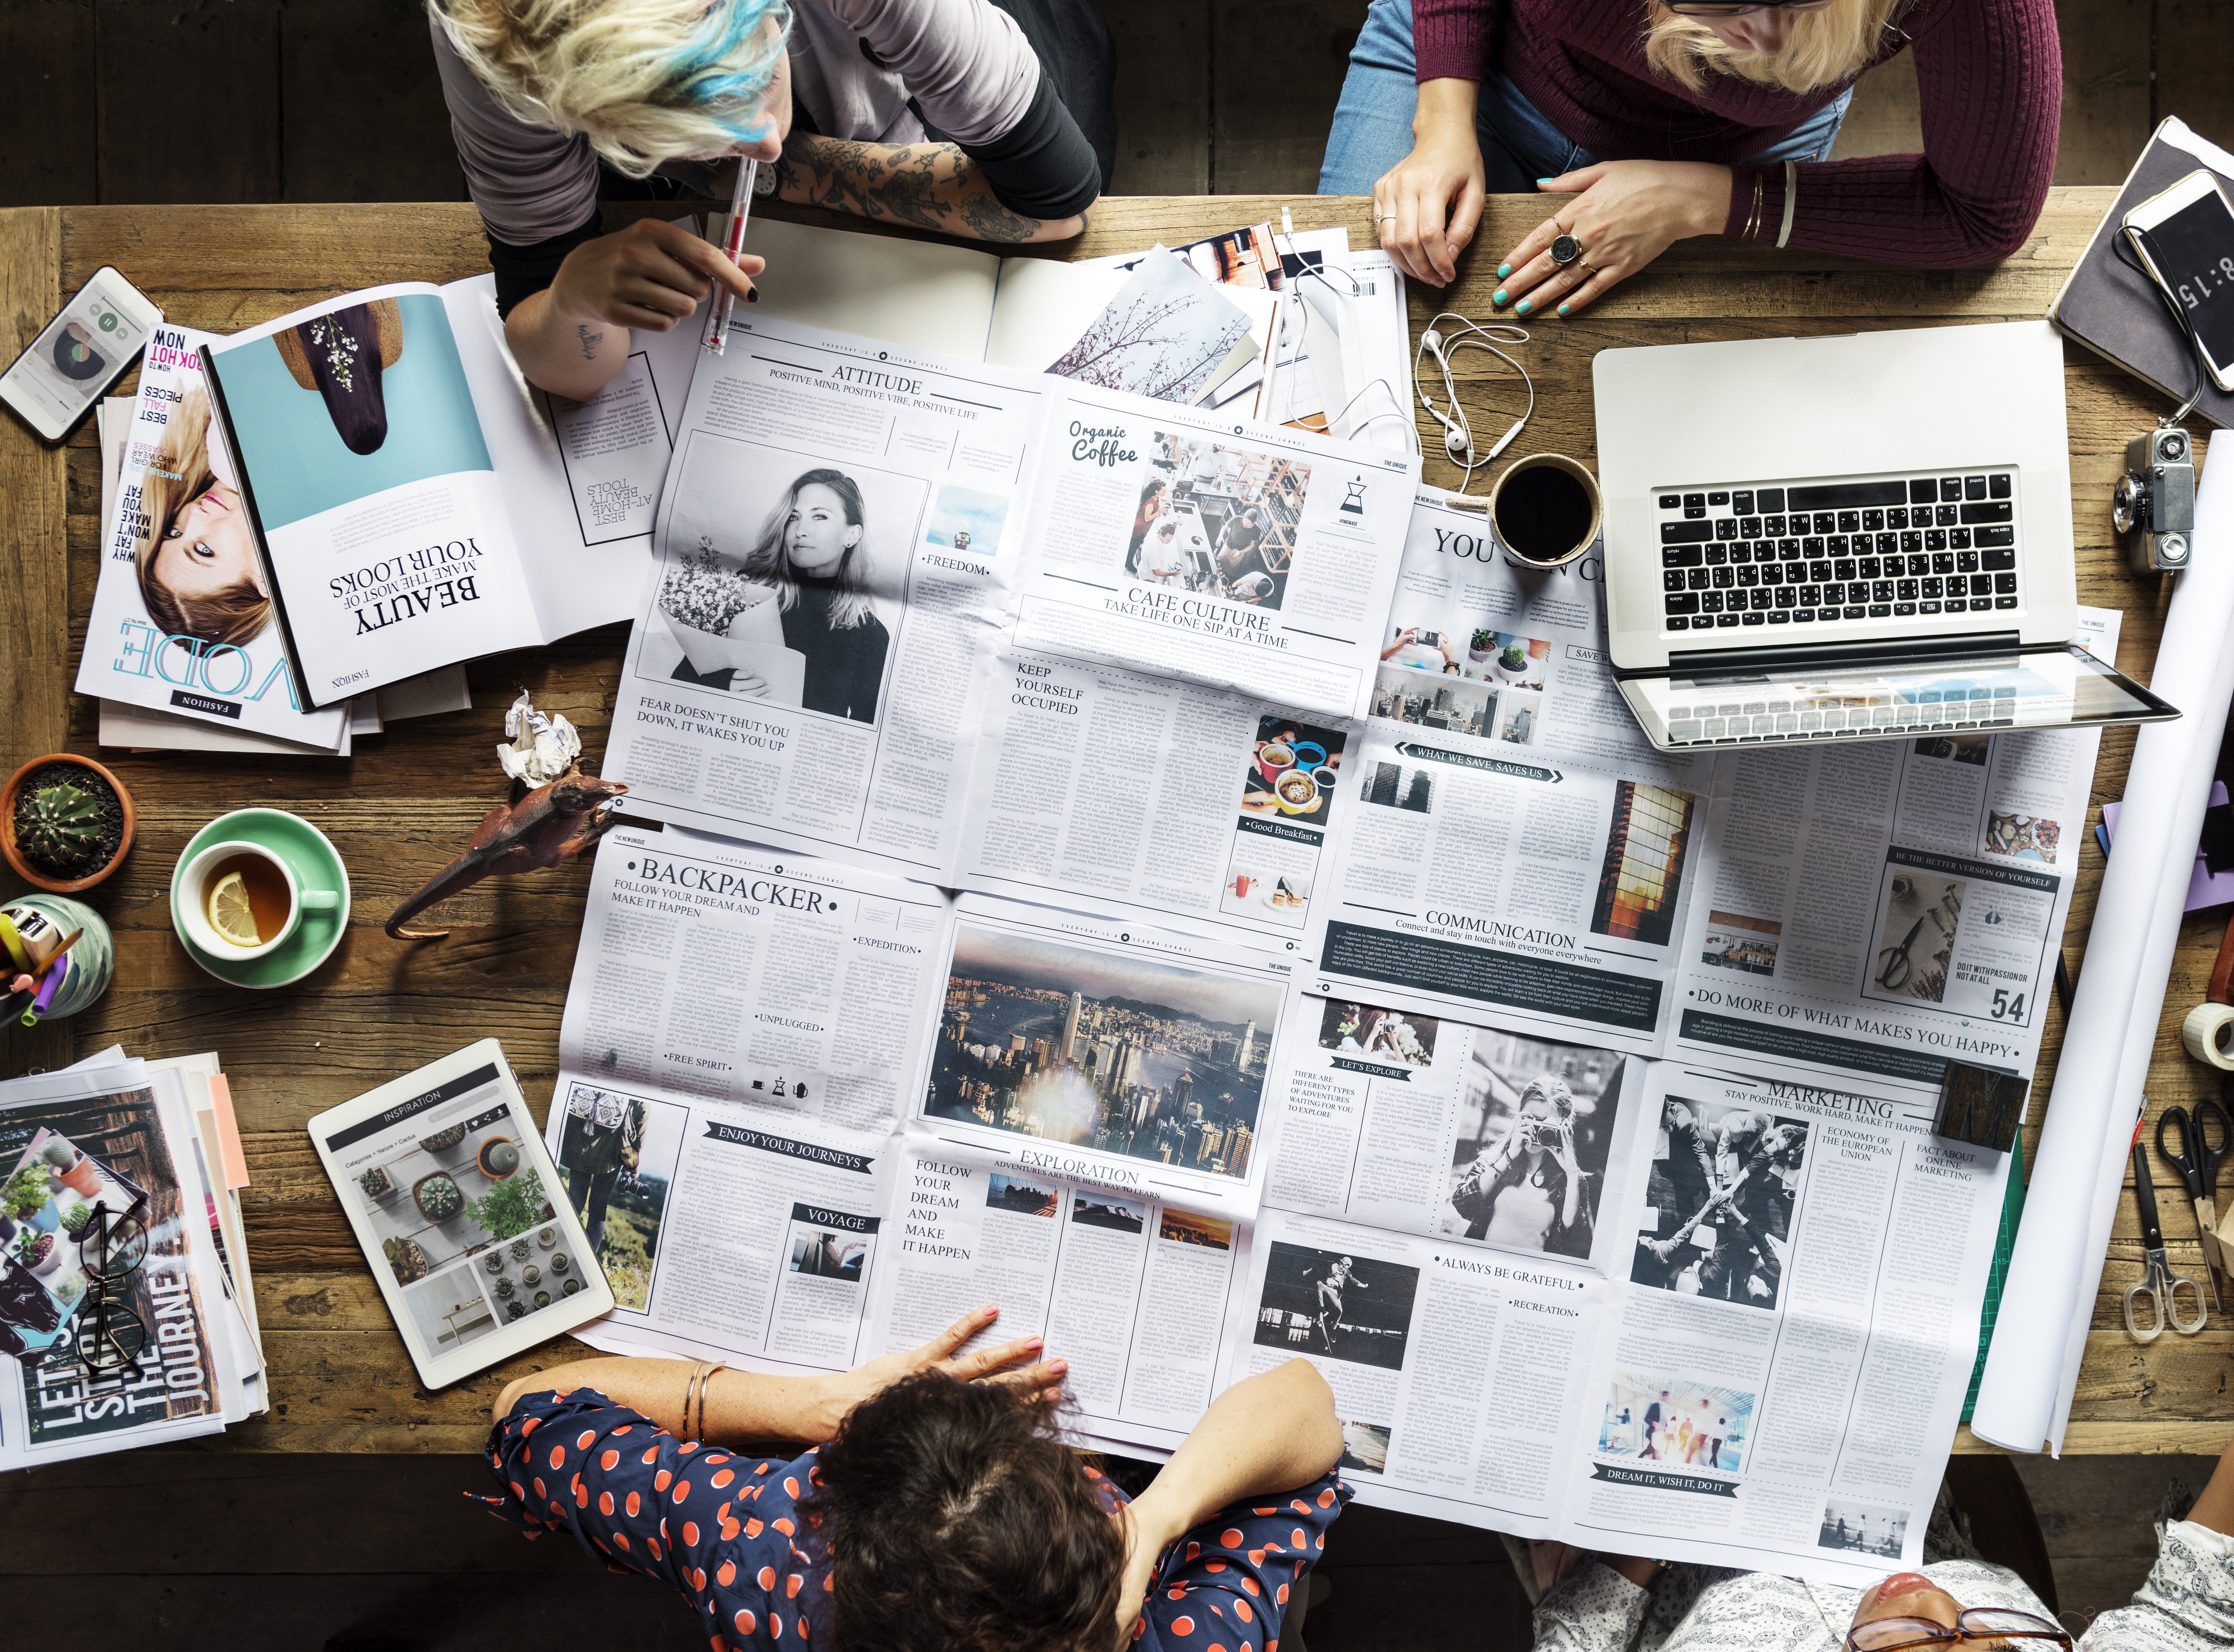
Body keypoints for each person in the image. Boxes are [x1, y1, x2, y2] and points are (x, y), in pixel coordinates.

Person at [479, 1306, 1349, 1650]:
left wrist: (812, 1402)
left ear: (829, 1511)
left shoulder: (758, 1549)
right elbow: (1307, 1411)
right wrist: (1155, 1521)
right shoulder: (1184, 1638)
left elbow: (530, 1410)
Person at [429, 0, 1115, 400]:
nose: (763, 144)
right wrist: (571, 298)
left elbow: (1057, 200)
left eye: (755, 78)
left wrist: (777, 173)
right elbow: (560, 364)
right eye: (696, 139)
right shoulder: (498, 46)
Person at [1321, 0, 2059, 318]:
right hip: (1476, 66)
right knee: (1344, 341)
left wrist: (1707, 202)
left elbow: (1983, 215)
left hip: (1737, 156)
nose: (1767, 41)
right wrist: (1443, 120)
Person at [1524, 1423, 2234, 1648]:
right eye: (1989, 1644)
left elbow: (1572, 1640)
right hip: (1903, 1490)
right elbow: (2194, 1607)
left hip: (1682, 1534)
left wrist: (1663, 1516)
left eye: (1914, 1648)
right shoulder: (1932, 1586)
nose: (1932, 1604)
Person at [673, 468, 890, 722]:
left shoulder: (870, 635)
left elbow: (864, 736)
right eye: (793, 517)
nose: (801, 530)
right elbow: (678, 684)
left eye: (820, 517)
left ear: (852, 535)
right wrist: (722, 686)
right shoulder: (749, 596)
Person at [134, 388, 273, 654]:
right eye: (204, 550)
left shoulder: (225, 453)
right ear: (264, 579)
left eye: (175, 533)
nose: (194, 514)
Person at [1449, 1076, 1590, 1256]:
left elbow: (1573, 1244)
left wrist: (1571, 1173)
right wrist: (1509, 1155)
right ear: (1518, 1116)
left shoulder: (1573, 1182)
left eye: (1547, 1124)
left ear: (1564, 1128)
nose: (1536, 1130)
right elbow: (1463, 1205)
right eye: (1531, 1119)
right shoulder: (1493, 1161)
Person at [557, 1086, 645, 1258]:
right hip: (614, 1143)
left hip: (583, 1135)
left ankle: (561, 1249)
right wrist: (634, 1156)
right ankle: (589, 1261)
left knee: (575, 1197)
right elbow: (642, 1112)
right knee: (598, 1206)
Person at [1313, 1255, 1365, 1354]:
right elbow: (1318, 1266)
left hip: (1335, 1292)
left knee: (1340, 1311)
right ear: (1341, 1263)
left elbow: (1354, 1281)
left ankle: (1333, 1329)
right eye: (1343, 1267)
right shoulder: (1331, 1265)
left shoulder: (1347, 1272)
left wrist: (1364, 1286)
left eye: (1346, 1268)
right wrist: (1308, 1271)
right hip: (1326, 1287)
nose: (1343, 1269)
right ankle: (1322, 1308)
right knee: (1319, 1283)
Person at [1127, 477, 1169, 574]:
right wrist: (1159, 511)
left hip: (1141, 527)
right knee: (1133, 548)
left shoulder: (1156, 498)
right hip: (1140, 528)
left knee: (1134, 544)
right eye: (1164, 491)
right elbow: (1147, 518)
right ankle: (1129, 563)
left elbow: (1155, 513)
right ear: (1157, 492)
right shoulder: (1151, 503)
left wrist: (1159, 512)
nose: (1165, 493)